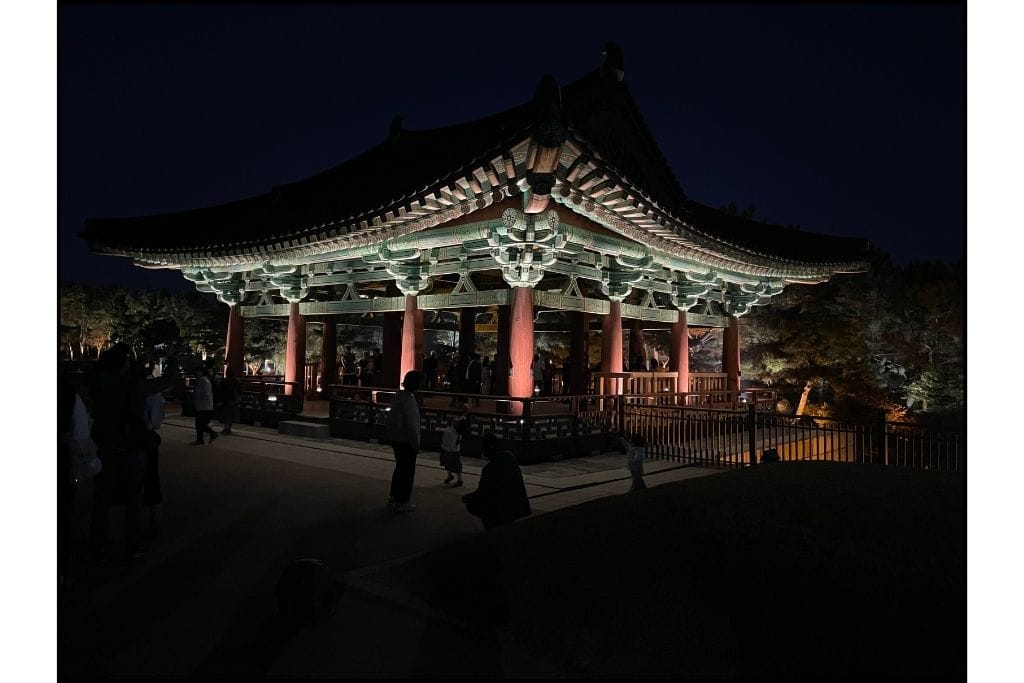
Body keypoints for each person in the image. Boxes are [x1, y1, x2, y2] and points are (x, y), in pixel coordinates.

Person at [87, 348, 149, 561]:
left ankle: (98, 546)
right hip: (128, 446)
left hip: (104, 447)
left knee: (102, 498)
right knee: (134, 496)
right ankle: (133, 543)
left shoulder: (97, 383)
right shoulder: (129, 384)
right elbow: (161, 383)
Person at [462, 433, 531, 530]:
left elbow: (481, 492)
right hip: (518, 504)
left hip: (502, 507)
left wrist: (468, 497)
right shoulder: (509, 457)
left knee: (473, 505)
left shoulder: (489, 469)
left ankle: (492, 524)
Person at [386, 370, 423, 513]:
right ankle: (403, 501)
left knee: (399, 469)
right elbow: (412, 426)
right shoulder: (409, 401)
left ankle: (393, 497)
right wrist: (416, 444)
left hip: (396, 437)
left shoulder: (398, 396)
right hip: (406, 440)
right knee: (407, 472)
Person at [139, 362, 166, 537]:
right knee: (150, 478)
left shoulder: (126, 388)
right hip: (146, 438)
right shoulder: (153, 393)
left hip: (128, 437)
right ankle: (153, 519)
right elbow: (156, 421)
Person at [440, 417, 468, 487]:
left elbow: (447, 442)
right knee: (450, 464)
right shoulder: (457, 432)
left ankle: (459, 480)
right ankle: (450, 476)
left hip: (449, 450)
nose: (454, 421)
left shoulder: (451, 432)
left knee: (453, 465)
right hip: (453, 450)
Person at [193, 366, 218, 445]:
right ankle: (210, 434)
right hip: (206, 405)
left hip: (203, 406)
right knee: (202, 423)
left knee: (199, 424)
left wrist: (199, 404)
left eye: (199, 372)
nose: (197, 373)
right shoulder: (205, 380)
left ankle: (202, 439)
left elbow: (204, 394)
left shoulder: (202, 380)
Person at [219, 367, 241, 435]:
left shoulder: (224, 381)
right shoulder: (236, 381)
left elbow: (220, 391)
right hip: (233, 400)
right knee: (231, 415)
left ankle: (225, 428)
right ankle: (228, 428)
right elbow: (239, 391)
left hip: (225, 400)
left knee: (226, 415)